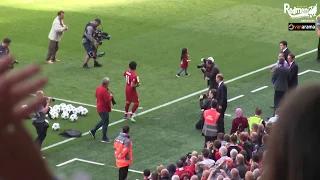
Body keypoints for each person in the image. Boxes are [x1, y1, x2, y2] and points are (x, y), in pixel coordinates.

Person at [0, 55, 53, 179]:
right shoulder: (38, 104)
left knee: (41, 135)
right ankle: (35, 151)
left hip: (38, 121)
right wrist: (48, 104)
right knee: (41, 136)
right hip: (38, 121)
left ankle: (34, 151)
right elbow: (44, 111)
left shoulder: (37, 102)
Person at [89, 77, 113, 143]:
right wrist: (111, 96)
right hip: (103, 108)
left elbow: (96, 95)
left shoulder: (98, 87)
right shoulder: (104, 90)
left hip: (99, 107)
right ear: (107, 83)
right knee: (105, 122)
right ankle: (104, 138)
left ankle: (93, 131)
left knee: (103, 121)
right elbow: (107, 101)